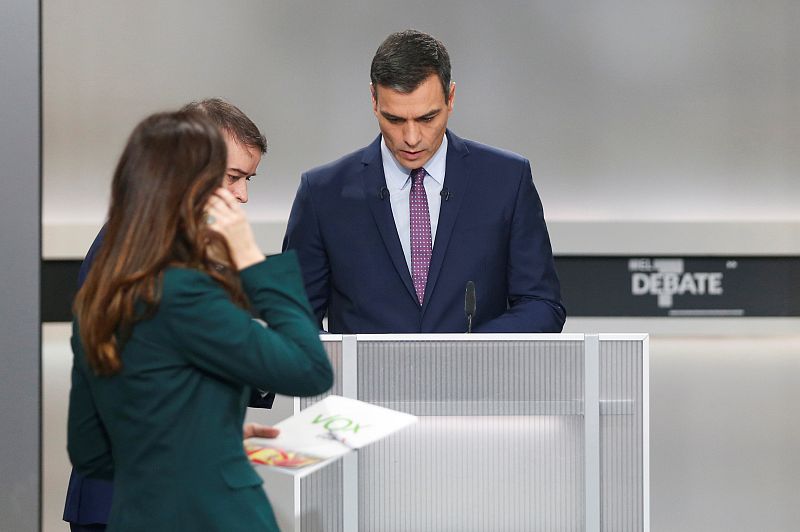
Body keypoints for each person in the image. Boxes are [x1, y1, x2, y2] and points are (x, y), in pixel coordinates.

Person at [67, 110, 333, 531]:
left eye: (247, 179)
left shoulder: (108, 289)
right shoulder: (180, 285)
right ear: (187, 179)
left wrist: (204, 439)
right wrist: (252, 259)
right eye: (232, 177)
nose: (242, 196)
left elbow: (91, 448)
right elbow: (311, 368)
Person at [283, 29, 566, 333]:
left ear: (451, 98)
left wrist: (470, 352)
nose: (411, 138)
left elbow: (541, 305)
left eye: (427, 118)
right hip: (364, 368)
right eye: (394, 119)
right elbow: (292, 320)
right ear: (374, 100)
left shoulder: (506, 181)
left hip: (475, 365)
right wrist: (349, 359)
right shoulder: (322, 194)